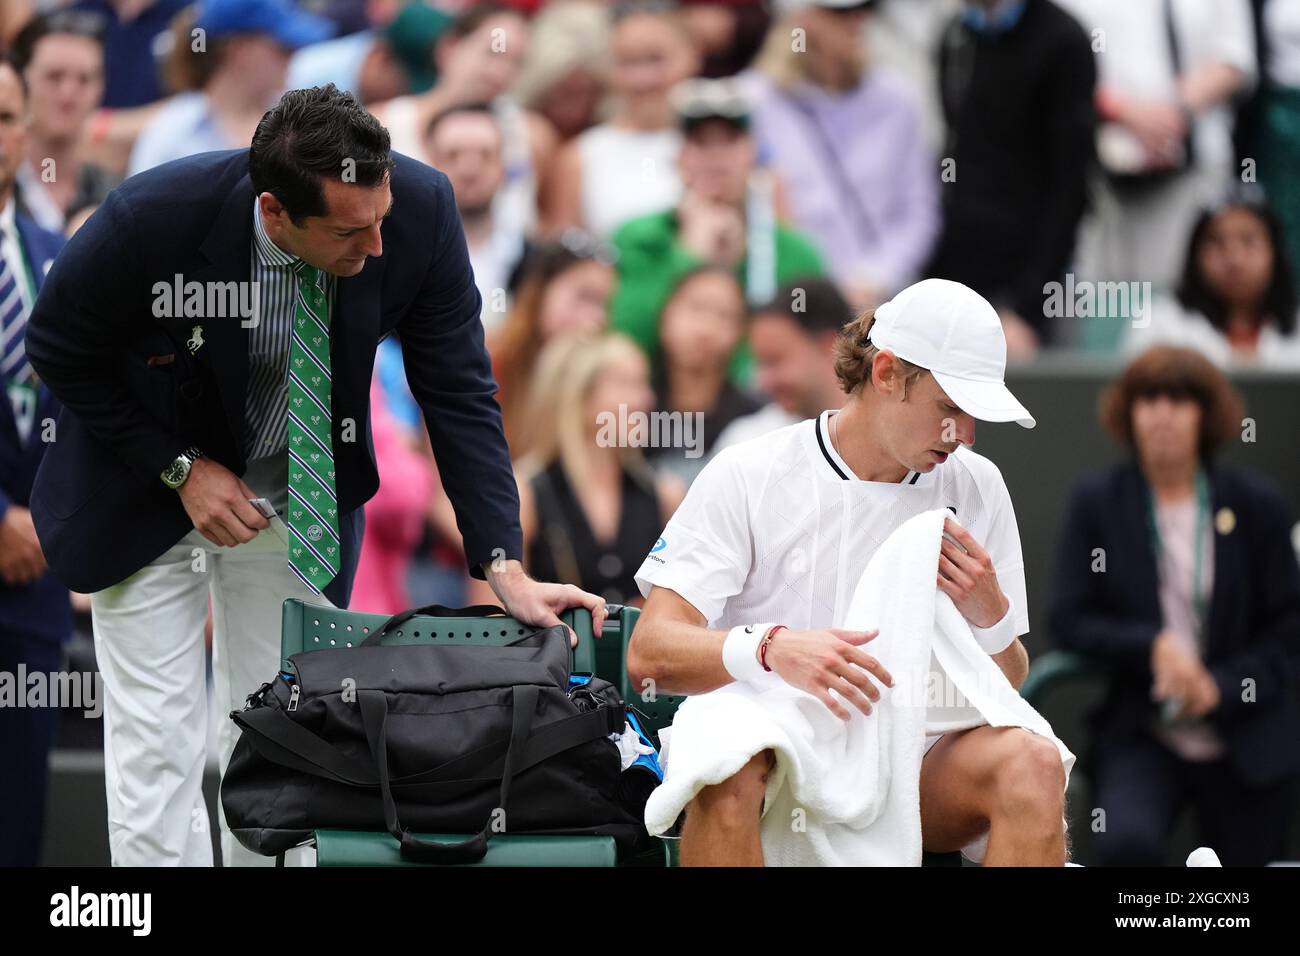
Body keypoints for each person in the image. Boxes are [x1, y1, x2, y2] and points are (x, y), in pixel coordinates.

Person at [25, 84, 607, 867]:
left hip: (301, 489)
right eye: (348, 231)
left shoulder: (422, 210)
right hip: (145, 491)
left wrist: (500, 560)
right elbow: (59, 347)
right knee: (158, 747)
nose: (373, 248)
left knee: (283, 744)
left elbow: (459, 392)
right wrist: (181, 469)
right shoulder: (153, 216)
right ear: (274, 211)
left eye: (380, 219)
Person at [628, 278, 1072, 866]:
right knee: (728, 763)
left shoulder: (978, 484)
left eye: (974, 416)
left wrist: (989, 615)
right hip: (770, 749)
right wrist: (772, 650)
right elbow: (650, 652)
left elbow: (1007, 682)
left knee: (1034, 763)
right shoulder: (747, 471)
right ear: (886, 373)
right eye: (950, 409)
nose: (964, 436)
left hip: (915, 764)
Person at [1051, 346, 1300, 865]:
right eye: (1148, 398)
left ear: (1206, 415)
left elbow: (1288, 628)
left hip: (1246, 734)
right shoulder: (1098, 502)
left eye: (1179, 399)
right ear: (1129, 412)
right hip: (1144, 729)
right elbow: (1069, 618)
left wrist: (1223, 686)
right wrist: (1152, 647)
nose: (1162, 413)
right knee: (1125, 846)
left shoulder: (1256, 505)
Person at [609, 77, 826, 386]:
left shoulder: (795, 253)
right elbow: (627, 338)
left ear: (751, 153)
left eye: (729, 141)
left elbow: (808, 355)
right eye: (701, 142)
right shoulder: (637, 239)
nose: (715, 156)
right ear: (680, 157)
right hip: (652, 412)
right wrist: (689, 256)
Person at [925, 0, 1096, 356]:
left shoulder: (1063, 39)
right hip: (963, 281)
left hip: (1032, 290)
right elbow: (960, 153)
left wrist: (1027, 309)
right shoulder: (955, 37)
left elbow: (1071, 187)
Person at [743, 0, 939, 305]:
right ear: (801, 18)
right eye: (840, 13)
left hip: (880, 305)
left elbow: (918, 213)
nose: (857, 21)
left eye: (865, 10)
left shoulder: (898, 100)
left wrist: (876, 275)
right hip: (794, 301)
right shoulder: (753, 102)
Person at [1055, 0, 1256, 297]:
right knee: (1103, 307)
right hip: (1098, 180)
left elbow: (1235, 57)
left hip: (1193, 174)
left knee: (1183, 302)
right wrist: (1123, 113)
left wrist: (1172, 115)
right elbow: (1055, 61)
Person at [0, 53, 71, 868]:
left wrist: (48, 523)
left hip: (33, 588)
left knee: (20, 815)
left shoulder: (62, 254)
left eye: (6, 116)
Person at [515, 333, 684, 607]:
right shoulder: (524, 493)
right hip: (552, 649)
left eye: (644, 385)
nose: (646, 399)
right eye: (627, 384)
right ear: (577, 395)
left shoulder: (665, 494)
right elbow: (494, 619)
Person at [127, 0, 334, 177]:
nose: (293, 56)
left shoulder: (305, 119)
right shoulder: (170, 135)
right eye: (284, 48)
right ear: (241, 51)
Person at [540, 2, 696, 237]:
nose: (643, 79)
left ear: (690, 57)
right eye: (628, 62)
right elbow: (565, 257)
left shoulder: (724, 145)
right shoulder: (580, 156)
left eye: (655, 59)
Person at [1123, 188, 1300, 367]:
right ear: (1195, 255)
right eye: (1217, 243)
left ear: (1275, 253)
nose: (1234, 260)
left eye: (1249, 241)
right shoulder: (1160, 325)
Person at [489, 235, 617, 457]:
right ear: (537, 294)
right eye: (584, 297)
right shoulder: (487, 366)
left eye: (604, 304)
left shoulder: (603, 378)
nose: (596, 320)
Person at [647, 266, 761, 485]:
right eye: (696, 308)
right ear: (665, 313)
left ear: (741, 333)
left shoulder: (755, 420)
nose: (706, 328)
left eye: (724, 315)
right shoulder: (632, 409)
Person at [713, 277, 853, 451]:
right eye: (760, 363)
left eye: (774, 360)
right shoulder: (747, 444)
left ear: (831, 348)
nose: (763, 380)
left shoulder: (888, 439)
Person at [10, 10, 119, 233]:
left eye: (84, 79)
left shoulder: (115, 197)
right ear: (21, 82)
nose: (68, 94)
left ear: (101, 87)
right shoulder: (5, 186)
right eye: (54, 76)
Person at [424, 103, 529, 334]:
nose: (469, 169)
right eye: (453, 155)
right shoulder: (405, 255)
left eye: (485, 154)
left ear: (504, 162)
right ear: (428, 162)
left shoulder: (533, 259)